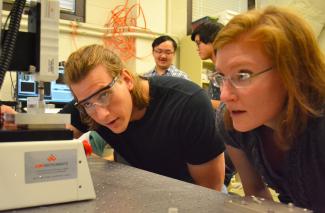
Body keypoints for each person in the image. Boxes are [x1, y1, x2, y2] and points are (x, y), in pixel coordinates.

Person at [63, 44, 225, 191]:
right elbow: (49, 136)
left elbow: (210, 190)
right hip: (144, 188)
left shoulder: (187, 103)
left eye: (104, 95)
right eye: (87, 104)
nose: (102, 115)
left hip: (192, 192)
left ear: (126, 79)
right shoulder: (88, 102)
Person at [213, 6, 325, 211]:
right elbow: (255, 193)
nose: (224, 95)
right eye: (221, 77)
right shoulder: (229, 120)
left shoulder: (318, 128)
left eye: (243, 75)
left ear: (291, 73)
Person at [191, 22, 224, 109]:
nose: (197, 48)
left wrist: (203, 101)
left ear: (212, 40)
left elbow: (231, 106)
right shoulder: (216, 70)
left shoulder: (225, 71)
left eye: (198, 43)